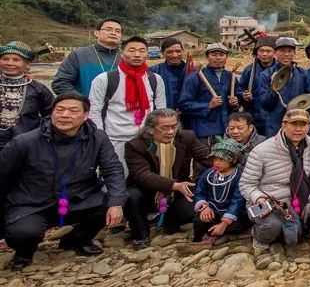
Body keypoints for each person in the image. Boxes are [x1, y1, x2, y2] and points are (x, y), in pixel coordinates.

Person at [0, 92, 126, 270]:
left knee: (113, 202)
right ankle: (24, 253)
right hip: (34, 203)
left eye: (73, 111)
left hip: (78, 199)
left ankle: (75, 241)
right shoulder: (24, 142)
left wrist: (116, 203)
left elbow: (113, 169)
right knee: (23, 233)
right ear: (52, 112)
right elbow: (3, 176)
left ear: (85, 115)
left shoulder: (98, 138)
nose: (65, 115)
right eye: (60, 110)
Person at [238, 108, 310, 253]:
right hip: (270, 202)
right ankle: (259, 236)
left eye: (303, 125)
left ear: (309, 126)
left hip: (302, 199)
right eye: (294, 124)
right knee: (272, 227)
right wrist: (259, 198)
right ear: (283, 124)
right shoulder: (261, 150)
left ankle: (291, 232)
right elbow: (246, 184)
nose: (298, 129)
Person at [123, 109, 212, 248]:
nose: (170, 132)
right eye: (164, 128)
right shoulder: (135, 146)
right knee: (131, 197)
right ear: (151, 130)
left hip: (178, 190)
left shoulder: (186, 137)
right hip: (146, 192)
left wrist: (229, 163)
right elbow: (142, 175)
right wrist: (174, 185)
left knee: (192, 207)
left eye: (173, 126)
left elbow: (207, 157)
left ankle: (169, 223)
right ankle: (141, 235)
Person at [88, 36, 167, 168]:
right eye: (131, 50)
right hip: (116, 141)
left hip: (147, 140)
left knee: (147, 180)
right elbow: (94, 110)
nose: (137, 54)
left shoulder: (155, 79)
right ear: (121, 52)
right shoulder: (104, 79)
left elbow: (161, 110)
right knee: (117, 179)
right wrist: (101, 139)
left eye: (142, 51)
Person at [0, 41, 55, 154]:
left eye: (16, 60)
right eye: (5, 59)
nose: (10, 63)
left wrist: (39, 136)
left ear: (26, 64)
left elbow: (51, 116)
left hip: (26, 146)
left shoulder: (39, 89)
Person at [178, 43, 238, 144]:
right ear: (207, 57)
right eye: (214, 54)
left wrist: (235, 103)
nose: (218, 58)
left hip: (227, 130)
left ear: (227, 57)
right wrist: (208, 105)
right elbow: (183, 104)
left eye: (221, 54)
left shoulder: (231, 76)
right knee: (205, 159)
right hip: (204, 131)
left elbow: (237, 103)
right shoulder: (195, 77)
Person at [192, 138, 247, 243]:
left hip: (233, 214)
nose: (216, 163)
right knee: (200, 220)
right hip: (212, 211)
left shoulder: (239, 176)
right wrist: (204, 207)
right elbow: (199, 192)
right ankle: (200, 239)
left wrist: (225, 222)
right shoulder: (209, 174)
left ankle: (217, 235)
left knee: (237, 225)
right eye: (215, 159)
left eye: (221, 159)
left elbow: (237, 200)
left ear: (233, 160)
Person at [51, 18, 123, 95]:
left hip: (120, 106)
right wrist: (81, 101)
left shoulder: (127, 57)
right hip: (87, 105)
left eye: (117, 31)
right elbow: (60, 83)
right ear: (96, 33)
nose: (113, 33)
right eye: (108, 29)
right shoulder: (79, 55)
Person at [256, 37, 310, 136]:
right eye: (282, 51)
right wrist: (273, 89)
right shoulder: (266, 74)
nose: (286, 54)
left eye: (289, 51)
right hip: (275, 126)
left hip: (298, 124)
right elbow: (264, 104)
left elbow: (309, 98)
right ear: (275, 53)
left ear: (294, 53)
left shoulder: (303, 73)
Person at [238, 37, 277, 136]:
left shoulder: (280, 70)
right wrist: (244, 95)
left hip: (275, 115)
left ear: (274, 52)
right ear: (256, 52)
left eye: (268, 51)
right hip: (254, 115)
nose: (264, 54)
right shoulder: (249, 70)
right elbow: (239, 88)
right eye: (261, 51)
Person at [149, 38, 189, 112]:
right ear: (162, 52)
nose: (174, 55)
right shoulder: (153, 72)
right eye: (169, 52)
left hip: (189, 116)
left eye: (178, 51)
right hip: (164, 116)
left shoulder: (192, 71)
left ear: (183, 51)